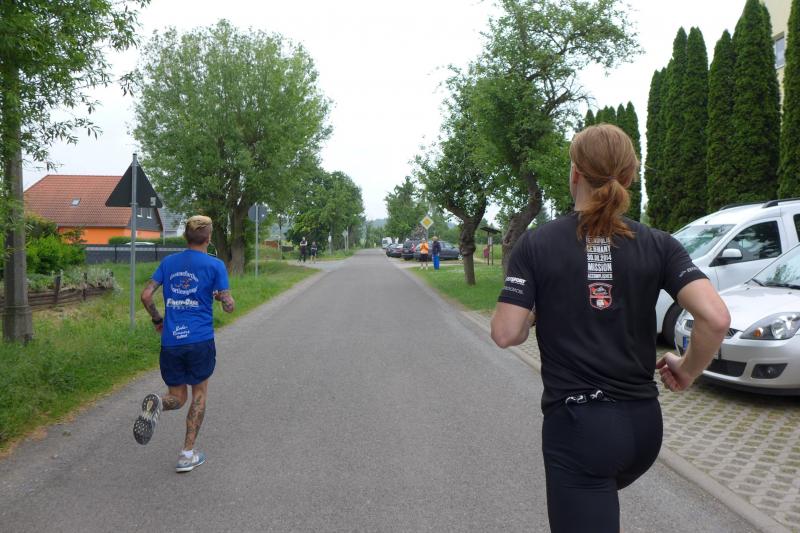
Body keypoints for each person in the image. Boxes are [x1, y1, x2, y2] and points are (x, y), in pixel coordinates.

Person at [490, 124, 730, 533]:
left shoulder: (537, 244)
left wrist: (534, 313)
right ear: (629, 175)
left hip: (581, 430)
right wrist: (688, 370)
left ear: (574, 173)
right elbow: (716, 318)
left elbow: (505, 333)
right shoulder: (660, 243)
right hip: (644, 428)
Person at [135, 215, 235, 473]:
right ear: (208, 238)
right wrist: (223, 299)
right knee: (198, 394)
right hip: (199, 340)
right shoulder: (215, 265)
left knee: (177, 397)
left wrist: (158, 320)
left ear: (185, 237)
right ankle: (187, 455)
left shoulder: (168, 263)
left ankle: (158, 402)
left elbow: (146, 295)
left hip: (171, 342)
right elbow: (228, 306)